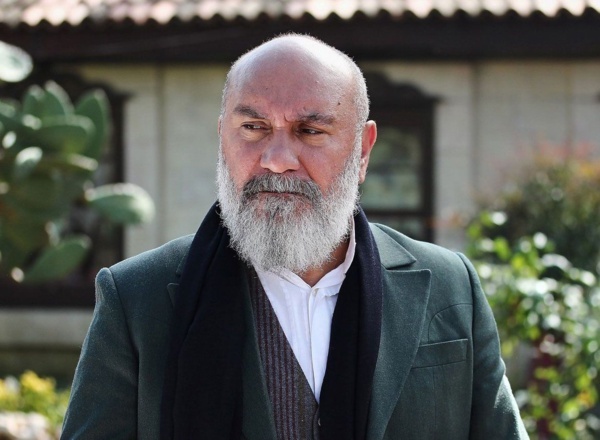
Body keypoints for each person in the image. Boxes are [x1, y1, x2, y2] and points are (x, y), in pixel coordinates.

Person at [61, 34, 528, 439]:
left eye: (310, 130)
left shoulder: (450, 287)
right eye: (253, 128)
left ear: (363, 151)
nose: (277, 158)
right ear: (223, 137)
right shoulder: (135, 298)